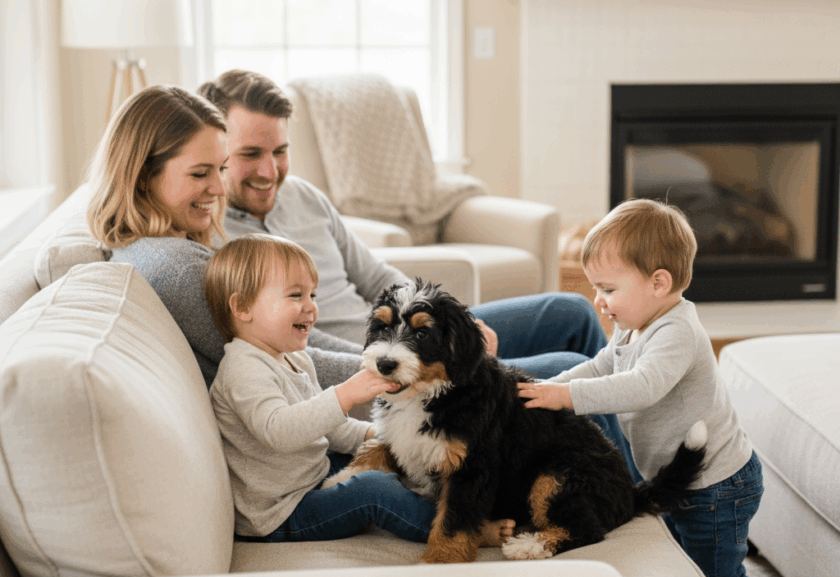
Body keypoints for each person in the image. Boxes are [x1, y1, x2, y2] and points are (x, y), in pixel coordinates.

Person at [196, 70, 641, 479]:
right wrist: (399, 360)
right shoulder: (216, 243)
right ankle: (632, 502)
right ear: (218, 154)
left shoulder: (303, 197)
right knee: (572, 371)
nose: (270, 171)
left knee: (570, 311)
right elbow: (287, 349)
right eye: (250, 154)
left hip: (409, 338)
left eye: (280, 151)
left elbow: (377, 279)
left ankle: (635, 462)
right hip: (381, 373)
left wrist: (460, 326)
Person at [517, 198, 763, 577]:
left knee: (716, 573)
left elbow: (642, 387)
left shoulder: (677, 331)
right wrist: (549, 388)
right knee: (684, 561)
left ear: (658, 282)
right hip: (679, 476)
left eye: (608, 289)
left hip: (716, 487)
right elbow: (601, 365)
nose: (598, 301)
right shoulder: (633, 320)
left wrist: (566, 398)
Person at [86, 85, 369, 391]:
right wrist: (403, 370)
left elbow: (290, 337)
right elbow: (286, 363)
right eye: (199, 174)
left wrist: (388, 357)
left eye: (221, 169)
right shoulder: (180, 271)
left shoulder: (158, 250)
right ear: (142, 176)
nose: (220, 189)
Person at [202, 233, 433, 542]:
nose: (311, 307)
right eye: (296, 295)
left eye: (313, 295)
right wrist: (346, 394)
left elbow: (326, 430)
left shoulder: (295, 358)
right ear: (242, 306)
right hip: (281, 511)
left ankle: (460, 503)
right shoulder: (243, 369)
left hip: (312, 474)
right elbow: (280, 431)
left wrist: (374, 435)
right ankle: (454, 529)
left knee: (382, 456)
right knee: (374, 490)